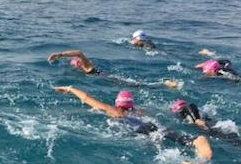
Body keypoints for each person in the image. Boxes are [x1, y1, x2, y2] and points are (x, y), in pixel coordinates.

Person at [53, 86, 212, 156]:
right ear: (131, 103)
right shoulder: (140, 111)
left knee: (157, 148)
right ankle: (196, 141)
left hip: (140, 130)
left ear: (117, 103)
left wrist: (70, 88)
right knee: (169, 135)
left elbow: (88, 98)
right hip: (152, 125)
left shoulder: (115, 111)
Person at [48, 50, 183, 88]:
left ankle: (164, 83)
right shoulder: (82, 71)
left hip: (108, 77)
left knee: (138, 85)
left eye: (77, 62)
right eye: (74, 64)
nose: (77, 64)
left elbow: (78, 52)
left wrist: (59, 55)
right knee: (136, 85)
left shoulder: (88, 66)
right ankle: (162, 83)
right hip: (107, 80)